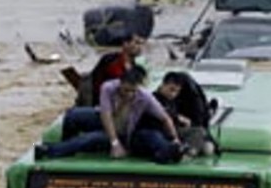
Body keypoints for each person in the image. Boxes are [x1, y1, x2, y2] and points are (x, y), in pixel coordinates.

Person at [36, 66, 184, 163]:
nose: (129, 94)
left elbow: (165, 118)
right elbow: (106, 115)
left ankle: (51, 150)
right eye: (126, 90)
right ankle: (62, 146)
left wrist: (175, 139)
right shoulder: (108, 88)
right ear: (120, 83)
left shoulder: (144, 97)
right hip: (106, 122)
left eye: (133, 91)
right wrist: (114, 143)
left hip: (126, 132)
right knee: (73, 115)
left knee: (89, 139)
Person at [83, 33, 146, 106]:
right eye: (137, 43)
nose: (140, 47)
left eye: (142, 44)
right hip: (101, 103)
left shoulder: (135, 68)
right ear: (125, 44)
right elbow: (95, 83)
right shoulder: (110, 60)